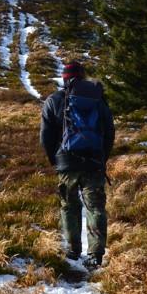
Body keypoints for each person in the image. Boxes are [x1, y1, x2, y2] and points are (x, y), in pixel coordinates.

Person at [40, 61, 115, 270]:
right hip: (94, 163)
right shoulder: (98, 101)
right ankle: (95, 255)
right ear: (82, 77)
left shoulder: (54, 100)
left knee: (69, 206)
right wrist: (102, 158)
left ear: (64, 79)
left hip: (66, 163)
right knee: (96, 208)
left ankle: (73, 250)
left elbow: (45, 136)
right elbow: (109, 132)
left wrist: (55, 160)